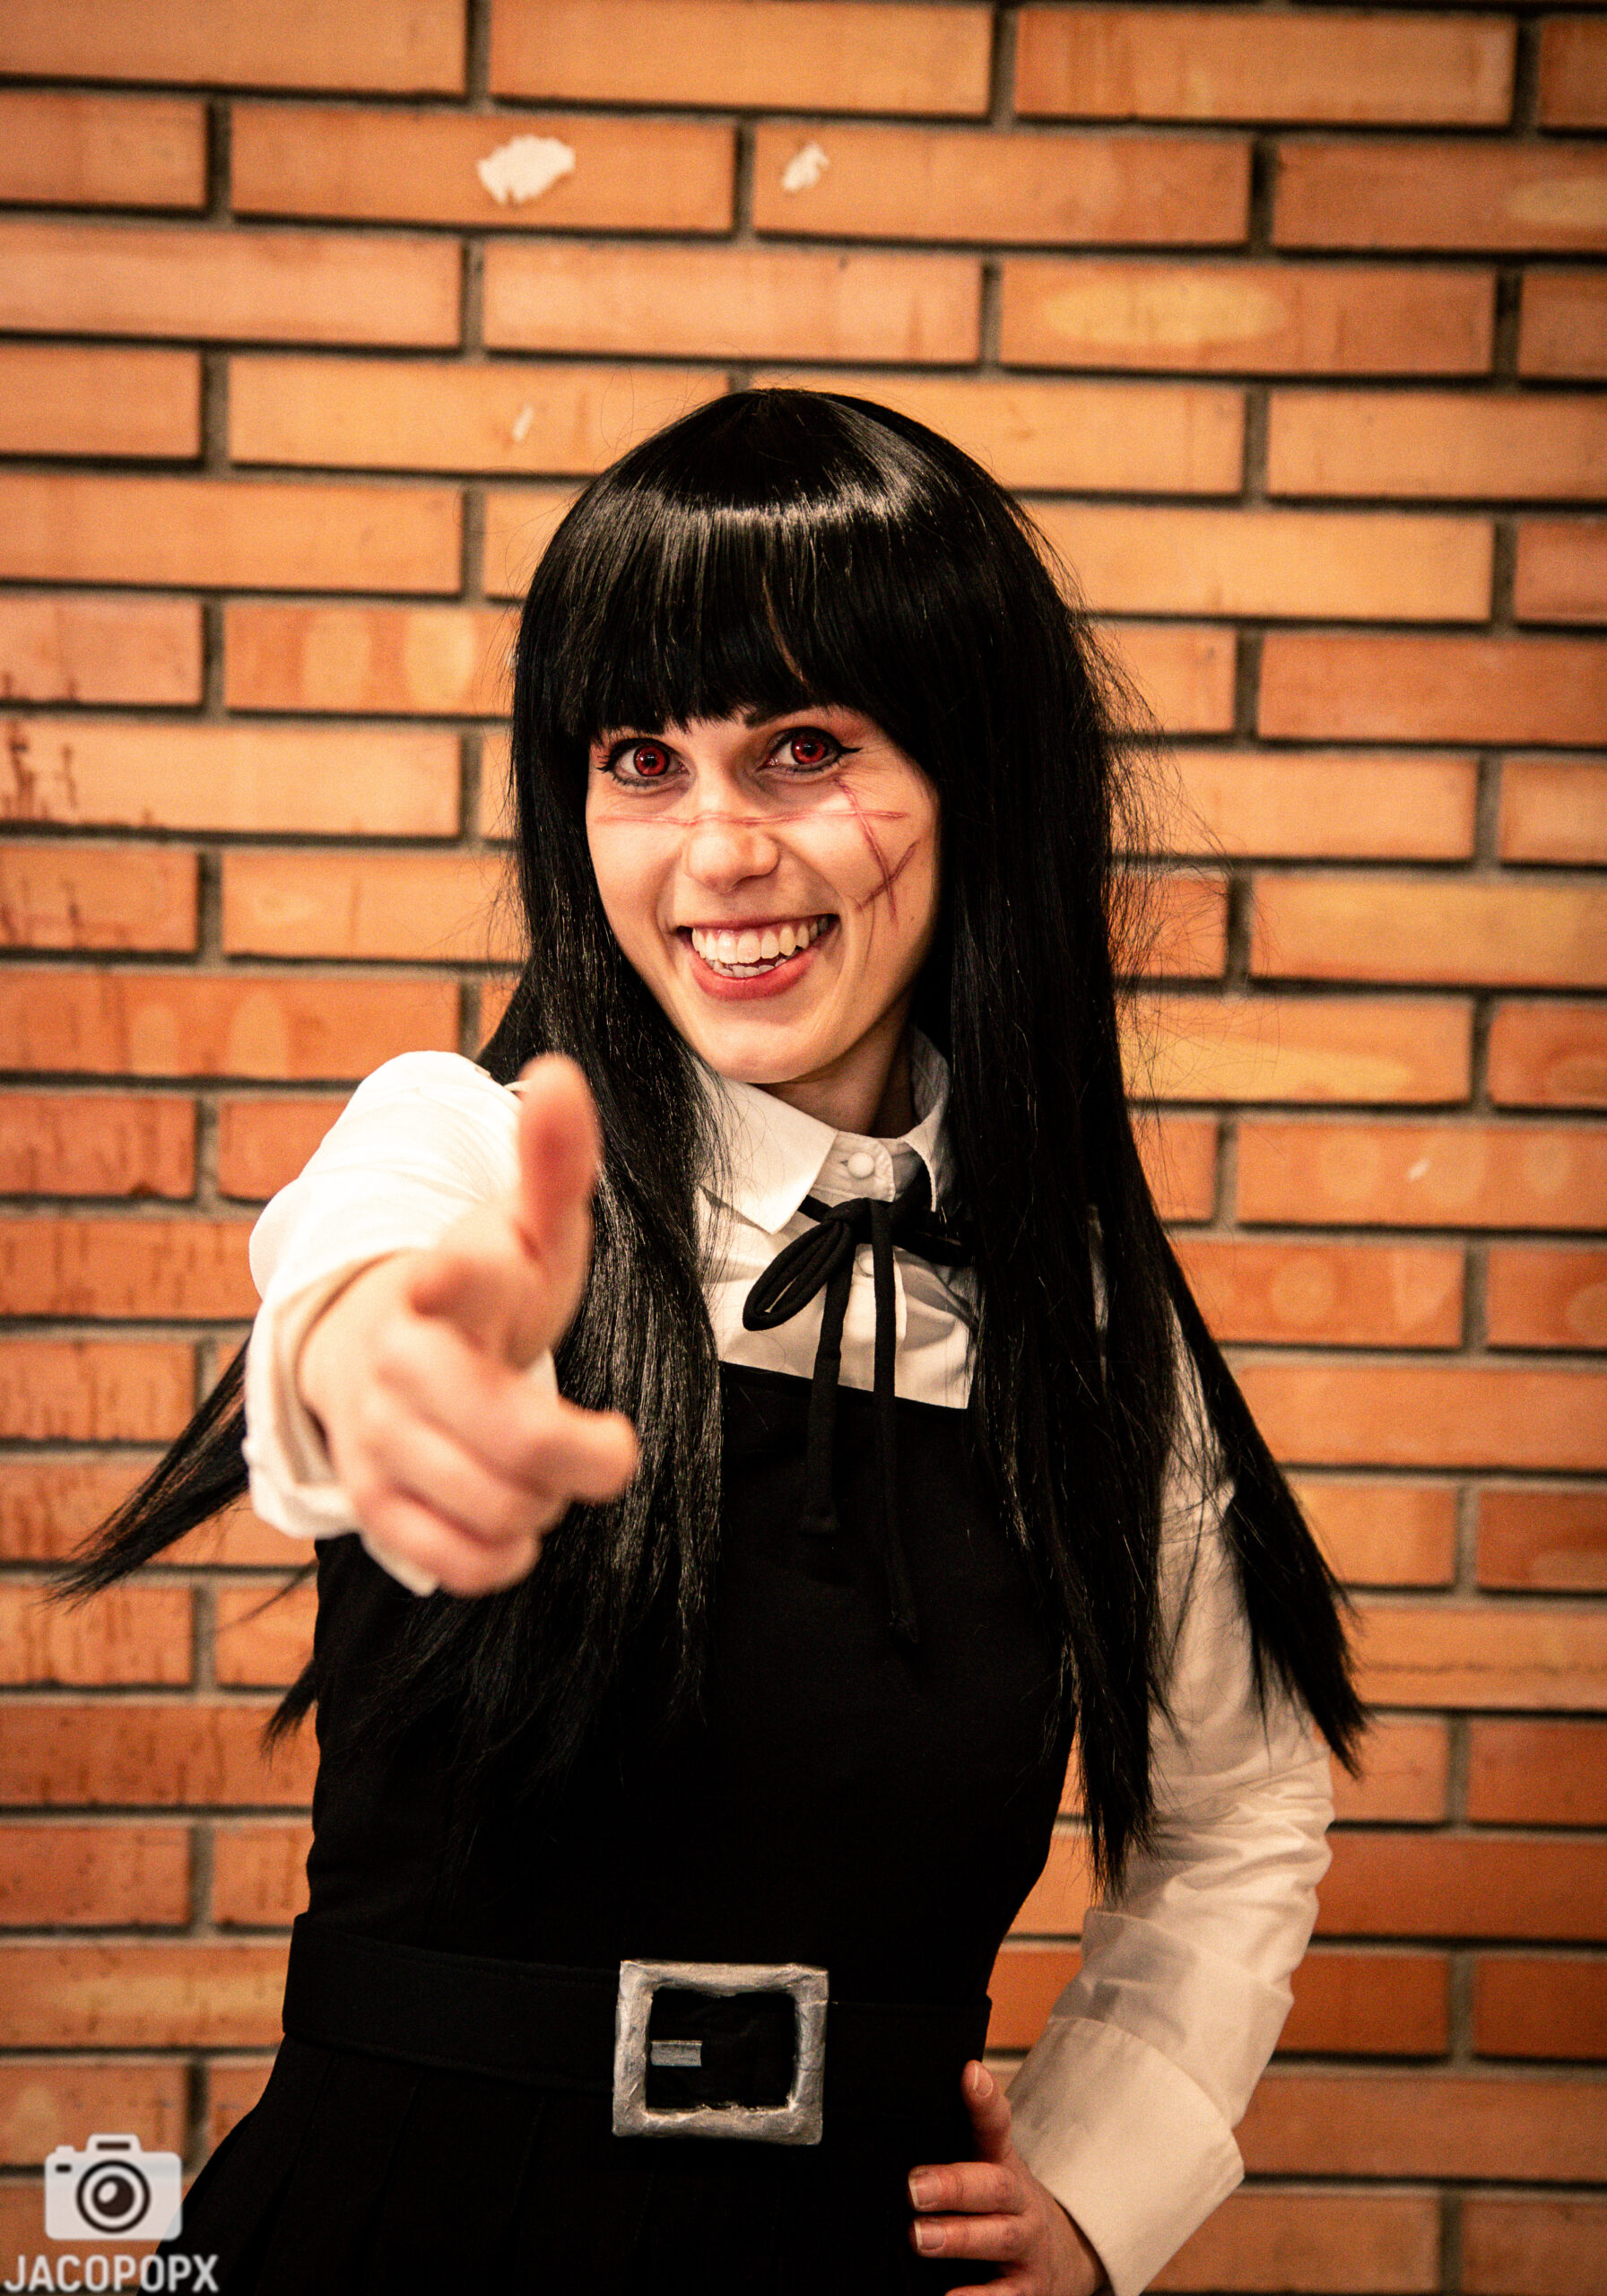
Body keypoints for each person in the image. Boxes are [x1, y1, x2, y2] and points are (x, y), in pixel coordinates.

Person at [71, 388, 1362, 2296]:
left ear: (977, 775)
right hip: (400, 2228)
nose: (717, 848)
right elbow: (354, 1283)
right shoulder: (470, 1143)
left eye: (803, 750)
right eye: (640, 761)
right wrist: (377, 1372)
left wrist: (1104, 2181)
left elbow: (1240, 1798)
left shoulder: (1084, 1316)